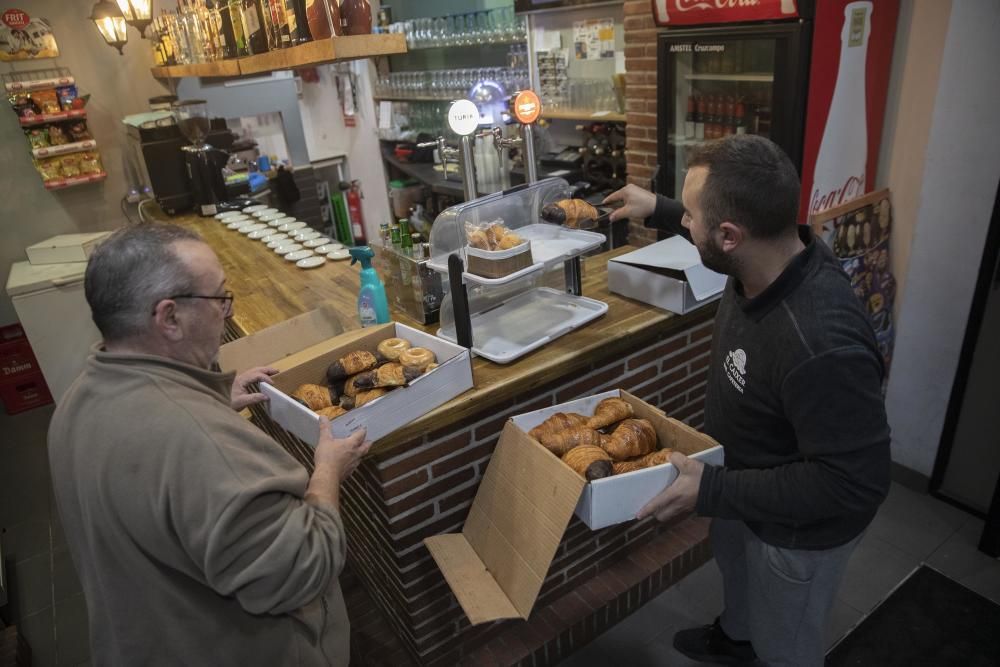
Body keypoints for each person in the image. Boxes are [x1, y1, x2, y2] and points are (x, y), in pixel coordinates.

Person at [603, 135, 890, 667]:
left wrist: (710, 488)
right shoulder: (766, 258)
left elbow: (855, 481)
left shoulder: (820, 343)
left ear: (729, 235)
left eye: (690, 216)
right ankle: (735, 642)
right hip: (742, 488)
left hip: (798, 532)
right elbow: (717, 231)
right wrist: (660, 209)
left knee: (786, 645)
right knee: (739, 582)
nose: (684, 223)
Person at [48, 223, 370, 666]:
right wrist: (327, 473)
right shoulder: (195, 440)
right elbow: (301, 572)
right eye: (220, 298)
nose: (225, 310)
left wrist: (210, 395)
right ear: (170, 318)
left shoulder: (77, 400)